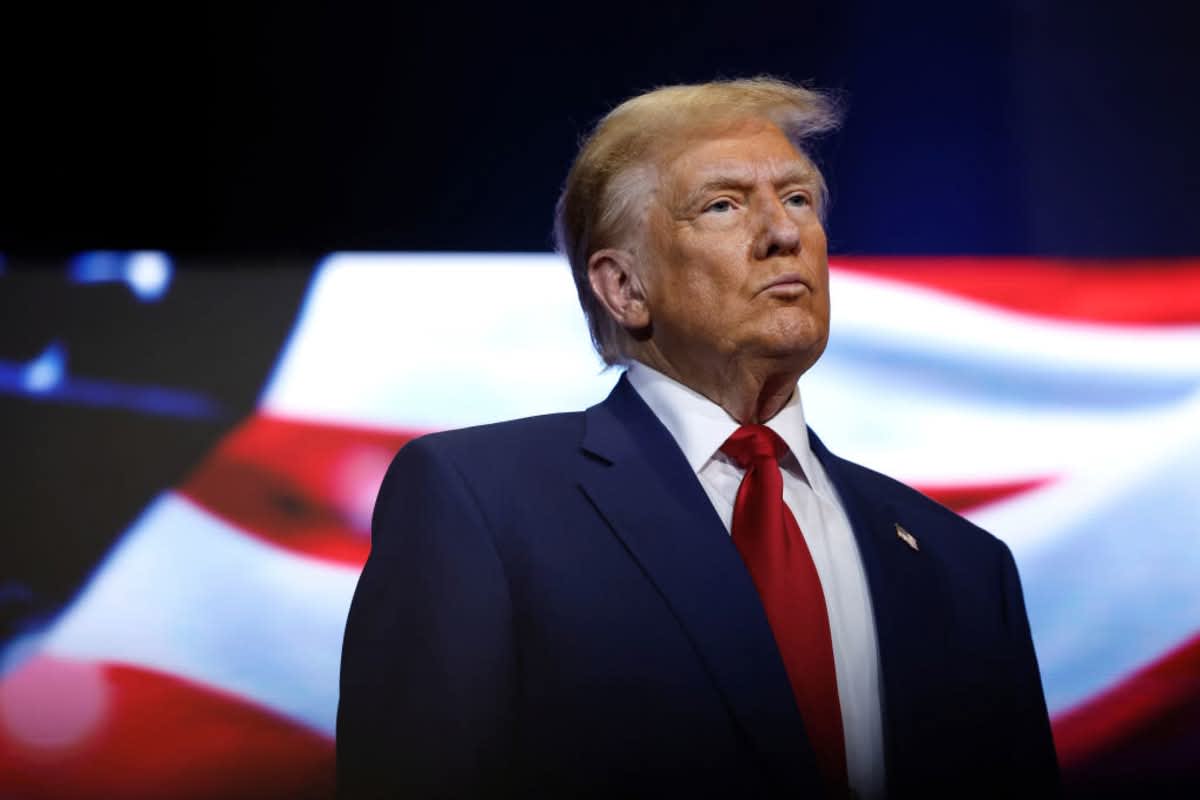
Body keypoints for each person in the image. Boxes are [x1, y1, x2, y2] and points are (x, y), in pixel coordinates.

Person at [336, 78, 1060, 799]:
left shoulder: (964, 568)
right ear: (624, 287)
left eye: (799, 199)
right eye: (722, 205)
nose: (783, 233)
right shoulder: (484, 506)